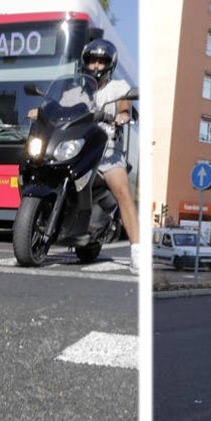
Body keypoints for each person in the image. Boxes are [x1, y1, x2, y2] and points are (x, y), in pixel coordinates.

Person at [78, 39, 139, 273]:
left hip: (107, 152)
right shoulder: (77, 89)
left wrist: (123, 115)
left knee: (123, 190)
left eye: (101, 61)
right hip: (79, 148)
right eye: (92, 60)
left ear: (109, 64)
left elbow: (124, 105)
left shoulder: (118, 87)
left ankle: (136, 251)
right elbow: (59, 105)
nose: (95, 65)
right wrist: (42, 111)